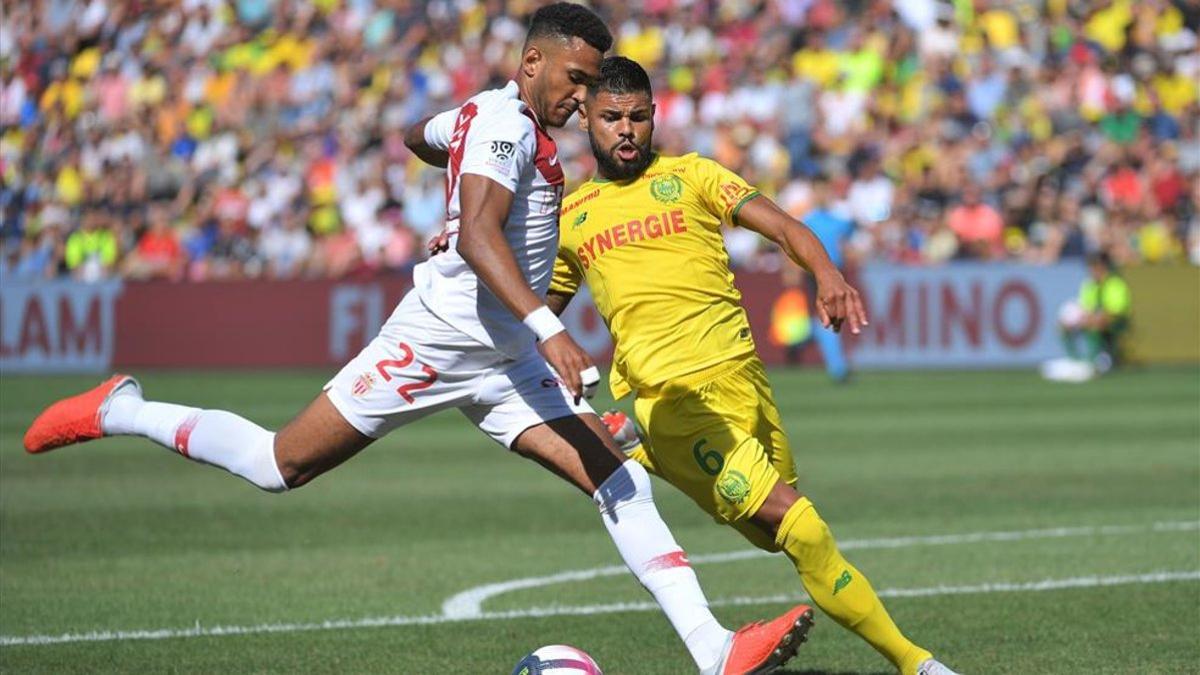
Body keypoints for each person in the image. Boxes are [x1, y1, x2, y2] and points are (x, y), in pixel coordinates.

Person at [24, 6, 809, 675]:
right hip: (441, 342)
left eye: (592, 80)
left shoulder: (490, 116)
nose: (584, 96)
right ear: (532, 62)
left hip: (502, 360)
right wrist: (549, 326)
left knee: (617, 480)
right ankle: (118, 409)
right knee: (277, 464)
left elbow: (418, 133)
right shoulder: (504, 124)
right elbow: (476, 232)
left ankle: (713, 649)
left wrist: (453, 160)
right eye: (574, 79)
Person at [546, 57, 958, 675]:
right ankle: (920, 665)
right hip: (679, 402)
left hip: (744, 386)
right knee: (804, 529)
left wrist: (826, 273)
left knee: (782, 540)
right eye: (611, 118)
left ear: (655, 116)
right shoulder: (573, 218)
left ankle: (638, 448)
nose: (625, 131)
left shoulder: (694, 176)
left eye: (636, 117)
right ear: (586, 119)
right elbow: (535, 310)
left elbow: (784, 226)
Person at [1059, 251, 1131, 371]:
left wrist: (1093, 319)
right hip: (1095, 318)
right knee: (1064, 326)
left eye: (1094, 267)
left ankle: (1092, 363)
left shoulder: (1115, 284)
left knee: (1095, 324)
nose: (1091, 270)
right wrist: (1079, 320)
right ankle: (1075, 361)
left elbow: (1115, 312)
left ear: (1102, 267)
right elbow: (1086, 308)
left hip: (1117, 321)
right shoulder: (1089, 285)